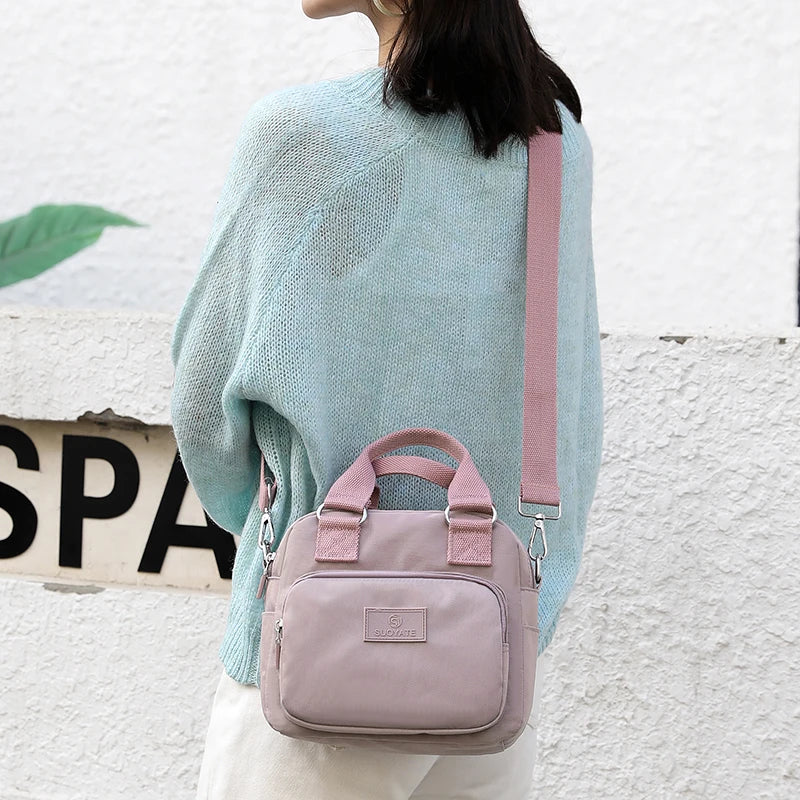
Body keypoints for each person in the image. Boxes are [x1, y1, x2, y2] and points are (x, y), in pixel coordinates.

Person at [169, 0, 603, 797]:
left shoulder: (303, 136)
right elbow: (572, 407)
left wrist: (282, 537)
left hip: (321, 645)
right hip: (489, 658)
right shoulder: (555, 144)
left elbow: (204, 403)